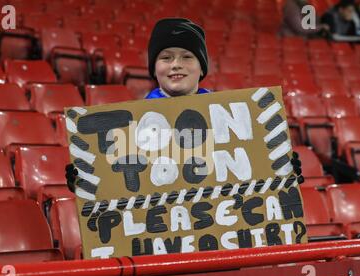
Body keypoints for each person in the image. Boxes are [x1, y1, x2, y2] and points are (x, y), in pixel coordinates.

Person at [66, 18, 304, 191]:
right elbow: (118, 186)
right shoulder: (130, 124)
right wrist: (88, 180)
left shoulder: (237, 121)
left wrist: (282, 172)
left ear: (202, 68)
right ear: (154, 68)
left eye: (187, 57)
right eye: (166, 57)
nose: (176, 64)